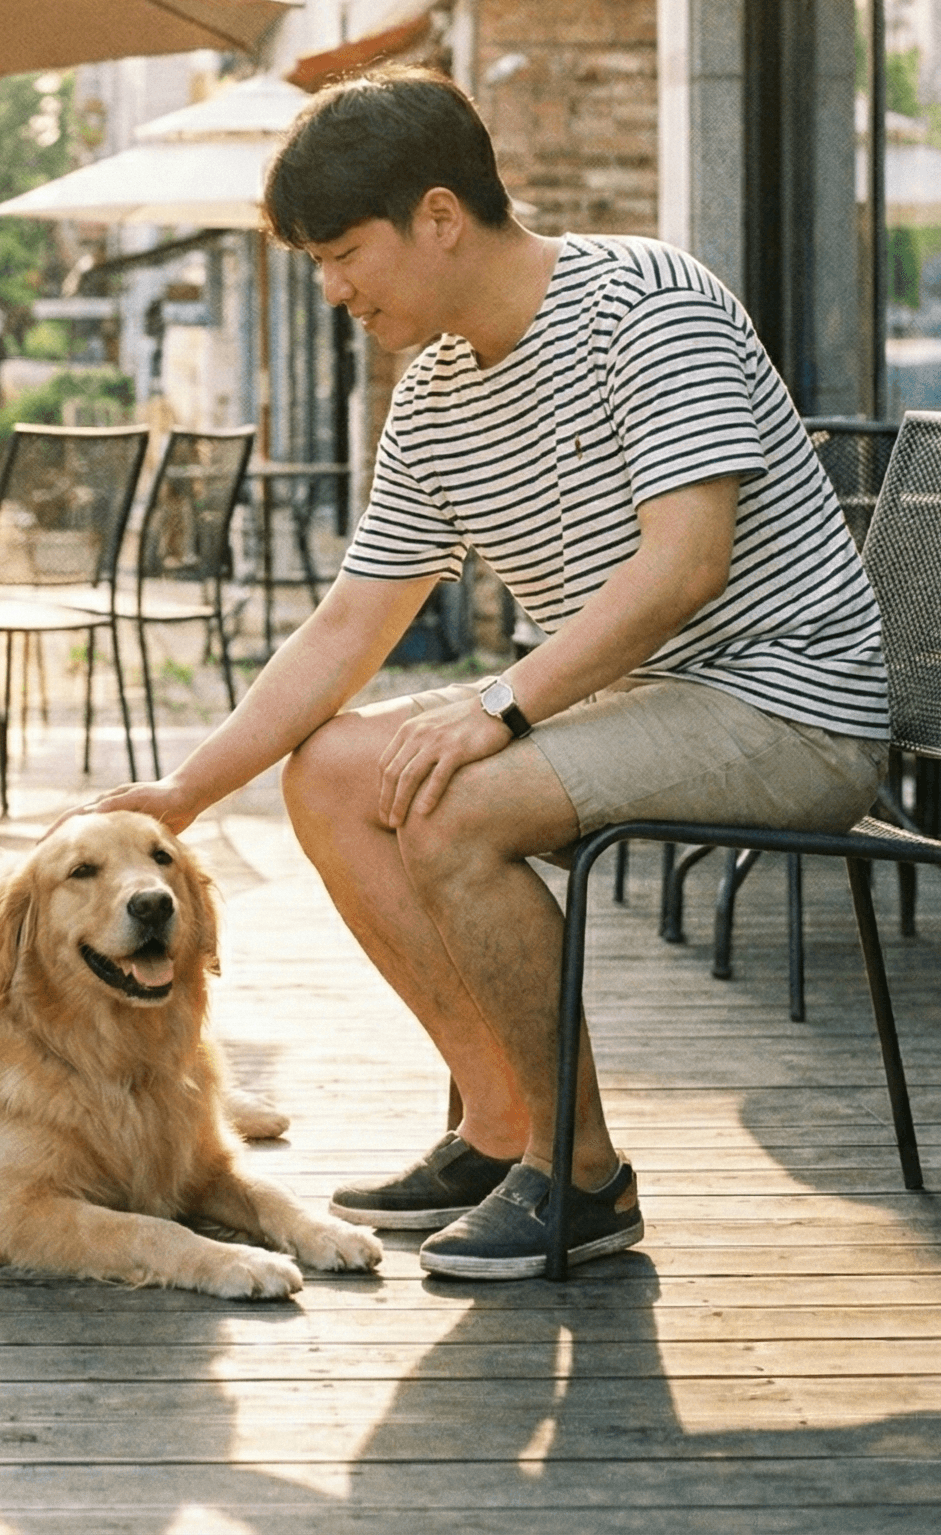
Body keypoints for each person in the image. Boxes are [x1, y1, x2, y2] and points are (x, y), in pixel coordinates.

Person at [90, 67, 887, 1280]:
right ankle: (500, 1120)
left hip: (786, 705)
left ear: (441, 216)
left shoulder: (645, 305)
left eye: (345, 251)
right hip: (639, 705)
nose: (333, 288)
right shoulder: (434, 392)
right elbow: (351, 625)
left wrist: (497, 703)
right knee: (334, 775)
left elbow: (683, 567)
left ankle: (581, 1179)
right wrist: (183, 798)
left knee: (454, 803)